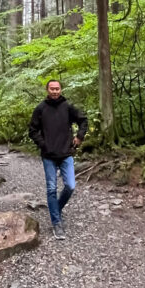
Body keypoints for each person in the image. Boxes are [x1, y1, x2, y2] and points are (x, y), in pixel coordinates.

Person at [29, 79, 88, 239]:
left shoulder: (68, 107)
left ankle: (56, 209)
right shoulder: (40, 109)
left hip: (66, 153)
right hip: (48, 155)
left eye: (57, 89)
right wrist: (43, 144)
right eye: (52, 89)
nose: (55, 91)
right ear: (47, 90)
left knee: (70, 186)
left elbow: (83, 120)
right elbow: (32, 130)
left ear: (61, 89)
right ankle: (56, 223)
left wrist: (79, 137)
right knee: (51, 188)